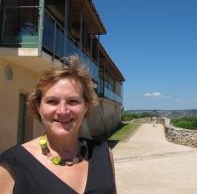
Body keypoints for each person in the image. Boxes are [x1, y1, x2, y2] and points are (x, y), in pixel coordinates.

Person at [0, 56, 117, 193]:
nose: (63, 111)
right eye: (52, 101)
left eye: (72, 101)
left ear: (86, 106)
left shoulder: (103, 153)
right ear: (38, 107)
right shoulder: (12, 166)